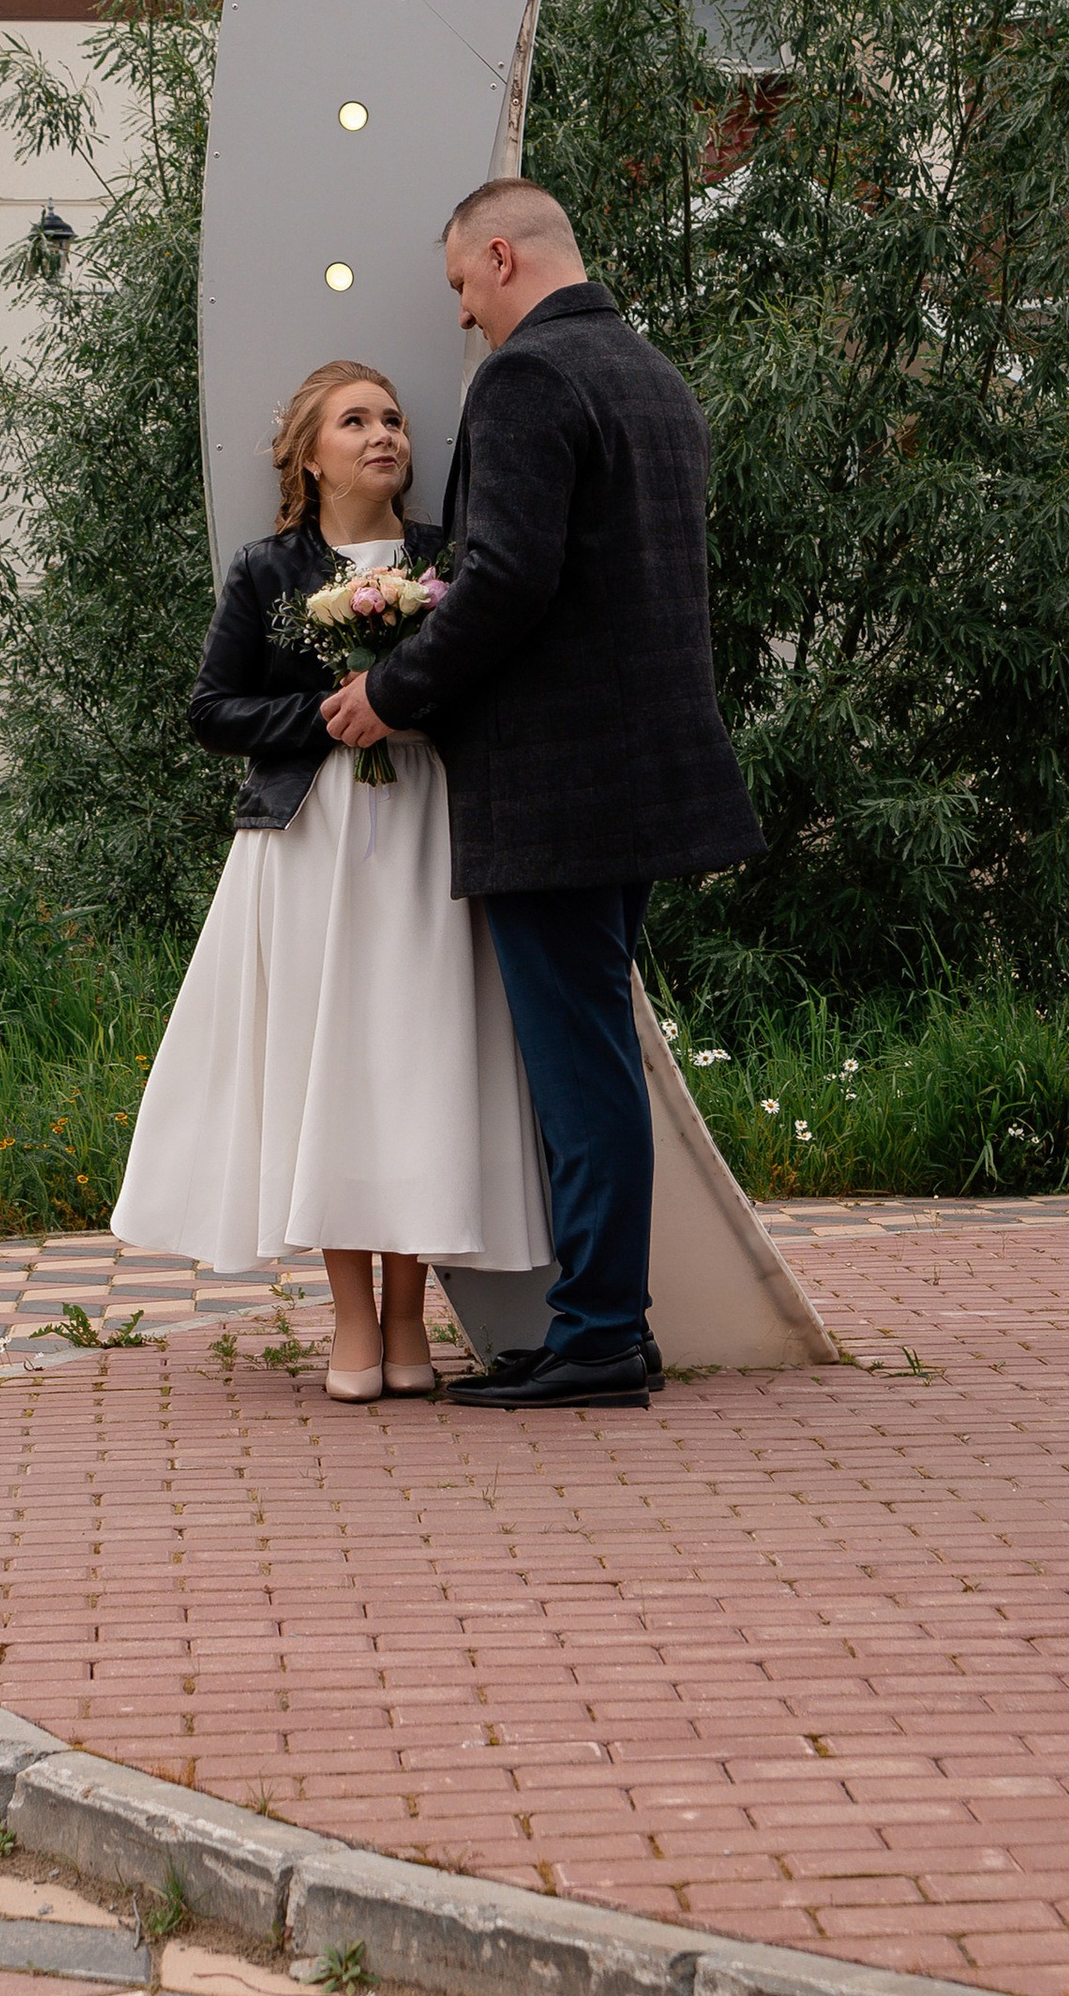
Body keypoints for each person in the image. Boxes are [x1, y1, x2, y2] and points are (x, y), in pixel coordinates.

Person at [320, 180, 764, 1410]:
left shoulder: (526, 381)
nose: (463, 316)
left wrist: (392, 693)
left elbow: (507, 582)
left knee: (578, 1071)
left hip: (559, 786)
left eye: (462, 285)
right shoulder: (652, 378)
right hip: (642, 772)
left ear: (501, 256)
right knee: (593, 1058)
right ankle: (605, 1324)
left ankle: (602, 1336)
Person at [112, 357, 550, 1399]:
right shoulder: (269, 572)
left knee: (417, 1064)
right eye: (355, 421)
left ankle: (412, 1319)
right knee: (328, 1071)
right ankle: (352, 1317)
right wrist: (324, 714)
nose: (383, 434)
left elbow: (498, 692)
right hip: (307, 844)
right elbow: (212, 710)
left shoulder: (454, 560)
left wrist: (405, 703)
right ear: (310, 455)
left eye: (393, 418)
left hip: (425, 837)